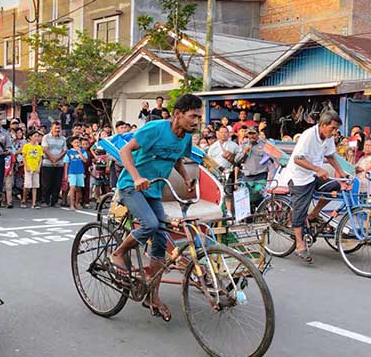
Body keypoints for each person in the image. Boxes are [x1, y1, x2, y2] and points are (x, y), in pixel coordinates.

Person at [109, 93, 201, 323]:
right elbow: (124, 151)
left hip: (154, 191)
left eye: (199, 117)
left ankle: (152, 297)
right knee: (150, 224)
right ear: (178, 114)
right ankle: (118, 252)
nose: (197, 122)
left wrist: (186, 177)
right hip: (132, 186)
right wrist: (137, 176)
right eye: (193, 116)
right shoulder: (155, 129)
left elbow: (177, 158)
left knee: (161, 239)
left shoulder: (185, 137)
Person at [283, 111, 345, 263]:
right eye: (333, 128)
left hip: (314, 175)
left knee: (335, 187)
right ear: (323, 125)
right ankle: (299, 244)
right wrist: (317, 169)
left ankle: (313, 214)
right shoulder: (308, 135)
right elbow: (298, 159)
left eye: (336, 129)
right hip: (299, 176)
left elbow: (330, 156)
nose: (335, 132)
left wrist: (341, 172)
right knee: (300, 207)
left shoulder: (328, 137)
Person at [207, 125, 242, 212]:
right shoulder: (213, 147)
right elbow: (208, 161)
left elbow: (240, 159)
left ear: (229, 134)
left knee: (228, 193)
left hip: (229, 173)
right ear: (217, 134)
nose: (223, 134)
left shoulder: (234, 146)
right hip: (215, 173)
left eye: (225, 132)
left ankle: (229, 212)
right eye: (221, 132)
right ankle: (217, 211)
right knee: (216, 192)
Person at [40, 121, 67, 207]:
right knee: (46, 183)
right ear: (51, 128)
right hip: (47, 163)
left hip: (59, 164)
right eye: (55, 128)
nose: (57, 130)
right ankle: (45, 200)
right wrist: (52, 159)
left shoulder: (63, 138)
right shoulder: (46, 137)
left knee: (57, 183)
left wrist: (57, 159)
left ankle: (54, 201)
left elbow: (64, 150)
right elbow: (45, 149)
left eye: (59, 128)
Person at [21, 130, 44, 208]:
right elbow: (23, 157)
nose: (36, 138)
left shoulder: (39, 147)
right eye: (35, 136)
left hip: (36, 167)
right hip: (28, 167)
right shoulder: (26, 146)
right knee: (27, 185)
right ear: (30, 137)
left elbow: (40, 158)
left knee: (35, 185)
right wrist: (26, 166)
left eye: (37, 136)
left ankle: (34, 203)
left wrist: (38, 167)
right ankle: (24, 200)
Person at [64, 136, 87, 210]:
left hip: (80, 171)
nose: (77, 144)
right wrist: (66, 174)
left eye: (78, 142)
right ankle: (71, 204)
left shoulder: (83, 151)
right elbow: (66, 164)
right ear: (72, 143)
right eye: (75, 142)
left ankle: (77, 203)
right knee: (72, 187)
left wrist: (80, 152)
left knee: (78, 188)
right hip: (72, 172)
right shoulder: (69, 152)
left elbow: (85, 160)